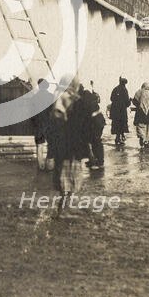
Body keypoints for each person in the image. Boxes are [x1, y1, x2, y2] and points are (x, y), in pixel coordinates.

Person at [51, 74, 90, 213]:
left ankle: (64, 208)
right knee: (71, 178)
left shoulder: (62, 99)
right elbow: (82, 126)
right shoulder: (72, 100)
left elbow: (56, 125)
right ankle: (66, 208)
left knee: (65, 179)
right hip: (72, 146)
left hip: (65, 147)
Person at [31, 78, 55, 171]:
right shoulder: (51, 97)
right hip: (49, 125)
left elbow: (31, 113)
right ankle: (50, 165)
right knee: (51, 144)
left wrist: (34, 123)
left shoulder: (34, 97)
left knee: (39, 145)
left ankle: (40, 166)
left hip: (38, 125)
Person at [132, 82, 149, 147]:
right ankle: (147, 139)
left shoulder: (139, 92)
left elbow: (134, 101)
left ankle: (142, 138)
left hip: (140, 112)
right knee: (148, 126)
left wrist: (138, 105)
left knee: (140, 126)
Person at [110, 77, 131, 145]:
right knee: (122, 123)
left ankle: (118, 137)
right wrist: (129, 101)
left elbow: (111, 98)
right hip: (122, 110)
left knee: (116, 123)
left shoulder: (115, 89)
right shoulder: (124, 90)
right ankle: (120, 137)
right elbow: (127, 102)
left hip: (115, 110)